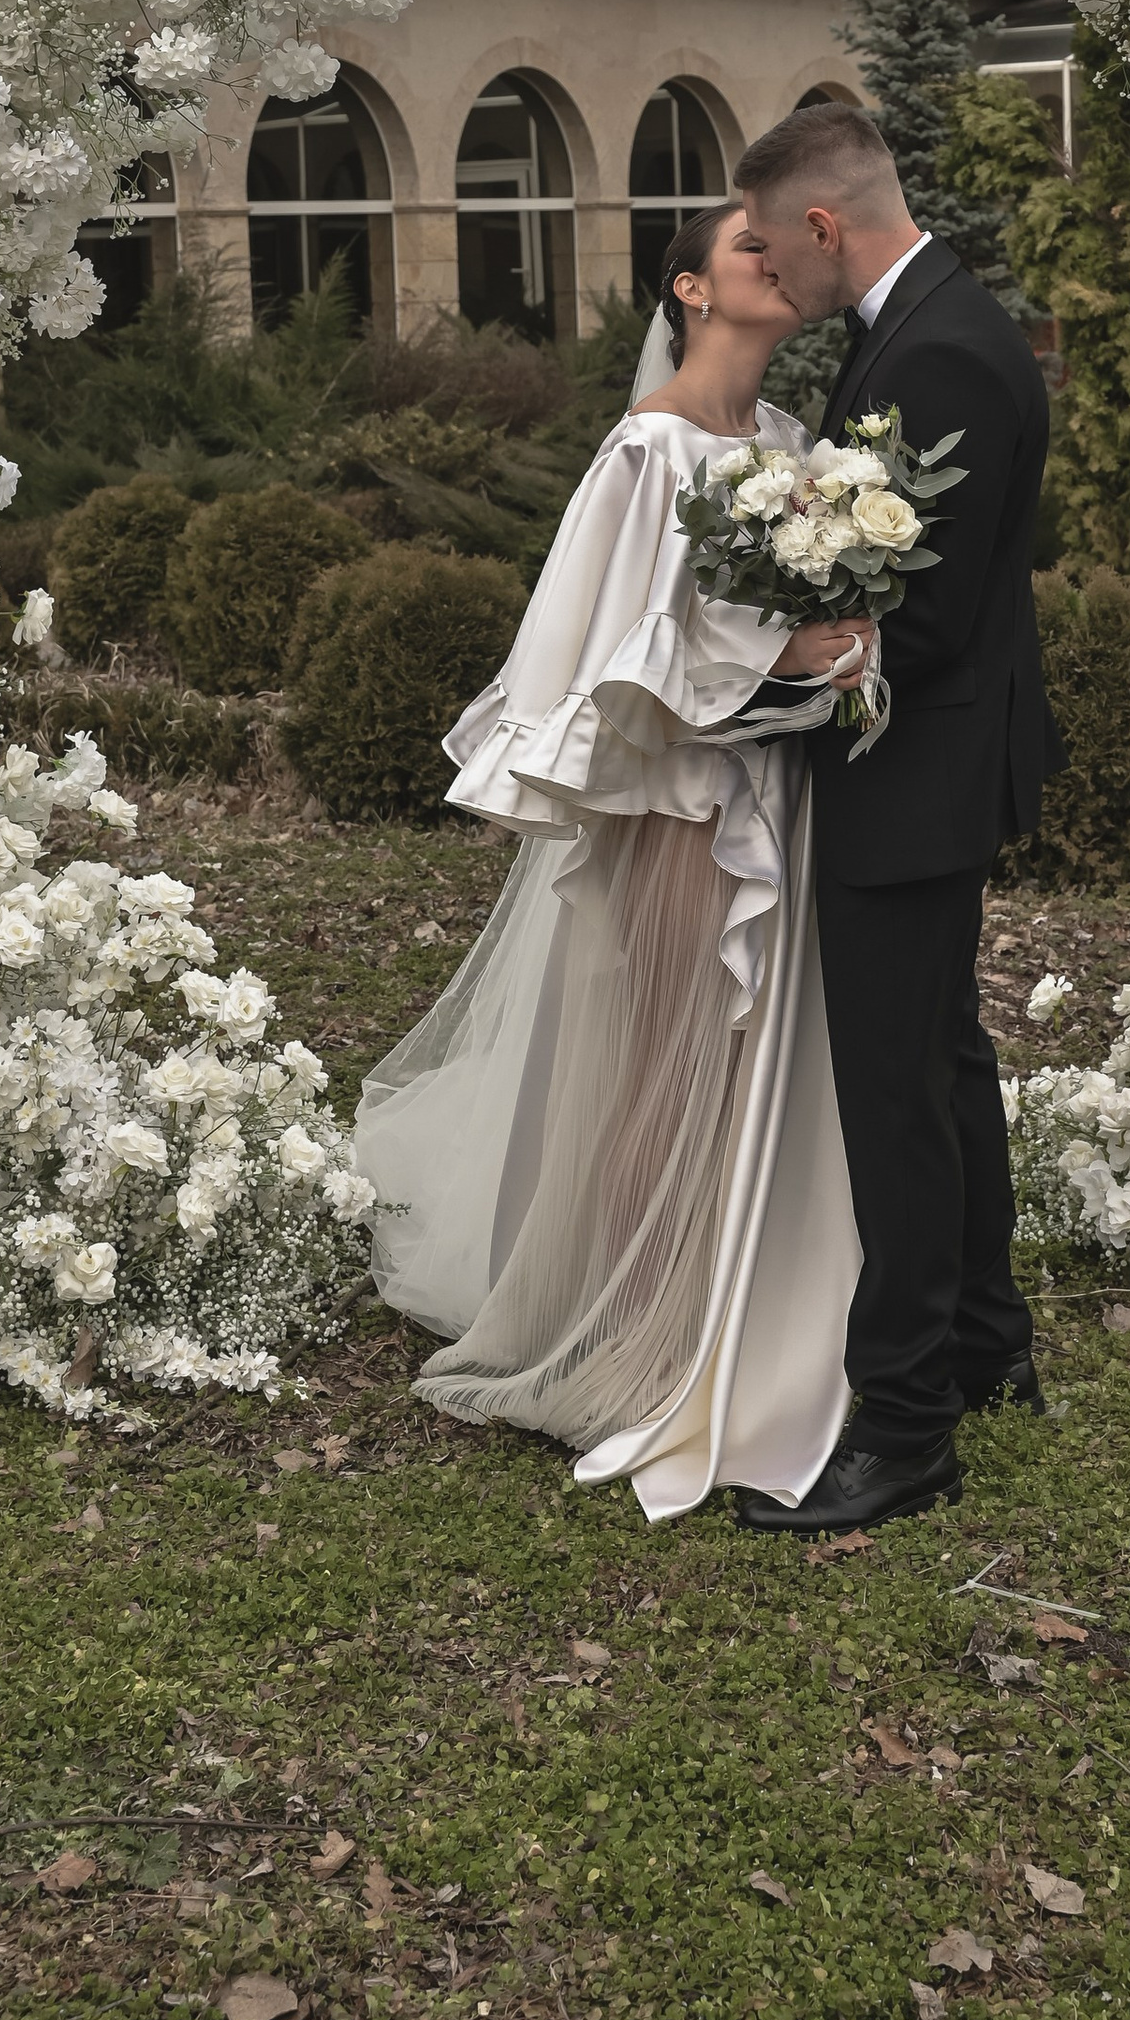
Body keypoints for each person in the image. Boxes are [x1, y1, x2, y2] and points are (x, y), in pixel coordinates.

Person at [359, 199, 872, 1518]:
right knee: (665, 1052)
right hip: (678, 803)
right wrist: (781, 656)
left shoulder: (790, 446)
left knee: (744, 1057)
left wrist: (849, 633)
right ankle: (639, 1335)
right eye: (746, 248)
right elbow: (616, 651)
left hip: (778, 792)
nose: (774, 259)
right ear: (691, 291)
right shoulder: (649, 454)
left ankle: (723, 1305)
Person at [723, 99, 1061, 1535]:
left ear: (822, 224)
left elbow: (921, 609)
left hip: (911, 772)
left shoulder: (939, 349)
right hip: (920, 765)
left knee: (895, 1099)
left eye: (774, 249)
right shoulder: (926, 324)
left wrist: (760, 671)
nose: (772, 281)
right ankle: (987, 1346)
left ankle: (906, 1422)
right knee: (943, 1063)